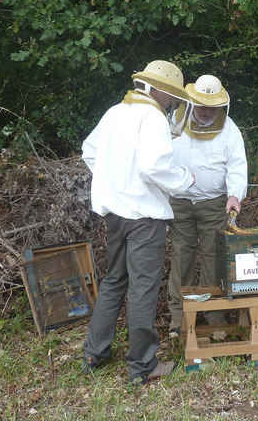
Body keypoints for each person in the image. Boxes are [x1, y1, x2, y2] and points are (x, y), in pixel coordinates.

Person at [80, 60, 195, 385]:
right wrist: (185, 180)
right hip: (144, 219)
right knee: (142, 288)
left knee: (115, 281)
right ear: (157, 90)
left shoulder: (115, 113)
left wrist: (114, 181)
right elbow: (154, 167)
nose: (172, 101)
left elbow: (89, 152)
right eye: (170, 94)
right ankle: (142, 366)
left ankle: (95, 352)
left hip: (114, 215)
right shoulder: (153, 117)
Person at [167, 74, 248, 336]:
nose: (204, 111)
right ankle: (180, 320)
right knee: (181, 257)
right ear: (192, 100)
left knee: (214, 258)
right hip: (178, 202)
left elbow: (237, 165)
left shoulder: (230, 128)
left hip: (214, 204)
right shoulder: (175, 120)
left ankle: (214, 318)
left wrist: (234, 195)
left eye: (210, 107)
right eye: (201, 105)